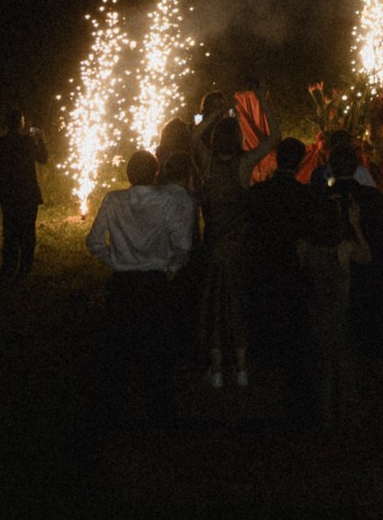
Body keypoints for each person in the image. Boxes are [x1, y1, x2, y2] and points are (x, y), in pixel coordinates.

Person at [86, 150, 198, 425]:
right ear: (156, 173)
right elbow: (183, 245)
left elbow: (94, 241)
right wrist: (172, 267)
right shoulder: (168, 202)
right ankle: (160, 414)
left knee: (119, 353)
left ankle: (113, 414)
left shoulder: (114, 200)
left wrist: (114, 260)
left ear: (128, 174)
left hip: (123, 286)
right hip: (154, 284)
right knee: (158, 353)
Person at [192, 93, 280, 389]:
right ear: (238, 138)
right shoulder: (244, 165)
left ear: (215, 140)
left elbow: (194, 137)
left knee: (214, 305)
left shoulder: (207, 164)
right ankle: (241, 369)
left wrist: (217, 113)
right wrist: (258, 101)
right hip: (240, 248)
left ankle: (216, 371)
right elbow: (275, 137)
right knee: (239, 303)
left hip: (214, 247)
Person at [247, 137, 321, 393]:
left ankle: (264, 371)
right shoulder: (305, 196)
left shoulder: (258, 193)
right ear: (300, 162)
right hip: (292, 267)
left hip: (263, 265)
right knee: (291, 318)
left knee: (266, 314)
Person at [298, 191, 371, 428]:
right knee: (341, 366)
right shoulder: (344, 248)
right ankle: (344, 417)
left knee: (322, 367)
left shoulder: (304, 247)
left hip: (316, 312)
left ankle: (323, 418)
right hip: (339, 315)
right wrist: (356, 225)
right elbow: (367, 257)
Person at [328, 141, 383, 361]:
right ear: (356, 167)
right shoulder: (372, 197)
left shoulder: (322, 196)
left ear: (331, 168)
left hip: (337, 279)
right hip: (367, 279)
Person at [0, 109, 48, 281]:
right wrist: (40, 140)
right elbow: (43, 158)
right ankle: (24, 268)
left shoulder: (1, 142)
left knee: (10, 231)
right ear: (20, 123)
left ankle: (8, 267)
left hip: (8, 193)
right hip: (27, 193)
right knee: (27, 232)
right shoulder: (27, 142)